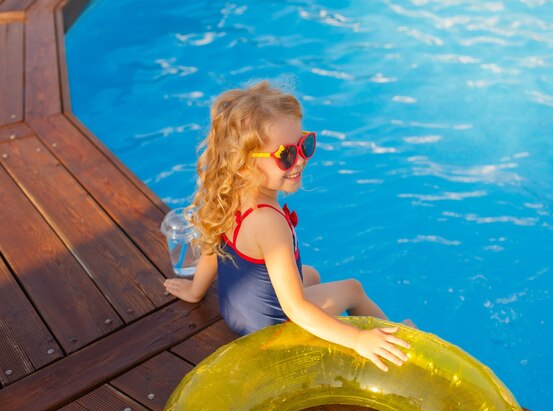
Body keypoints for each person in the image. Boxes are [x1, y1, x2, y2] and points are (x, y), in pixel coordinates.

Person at [163, 80, 410, 372]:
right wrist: (358, 340)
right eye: (286, 155)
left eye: (303, 145)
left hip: (236, 313)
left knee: (312, 274)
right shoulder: (269, 222)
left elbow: (210, 250)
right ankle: (396, 345)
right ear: (244, 163)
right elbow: (294, 308)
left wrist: (195, 292)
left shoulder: (231, 194)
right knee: (353, 289)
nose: (300, 161)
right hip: (270, 330)